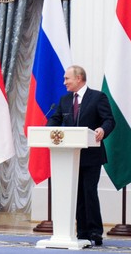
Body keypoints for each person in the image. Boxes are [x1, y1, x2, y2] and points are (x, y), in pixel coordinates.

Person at [47, 65, 115, 246]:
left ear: (79, 78)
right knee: (76, 194)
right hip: (70, 157)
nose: (64, 82)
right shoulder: (64, 100)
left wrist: (102, 129)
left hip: (91, 155)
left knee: (89, 192)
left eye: (67, 79)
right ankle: (82, 231)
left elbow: (109, 120)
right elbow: (56, 118)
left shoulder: (98, 97)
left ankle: (95, 231)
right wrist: (47, 128)